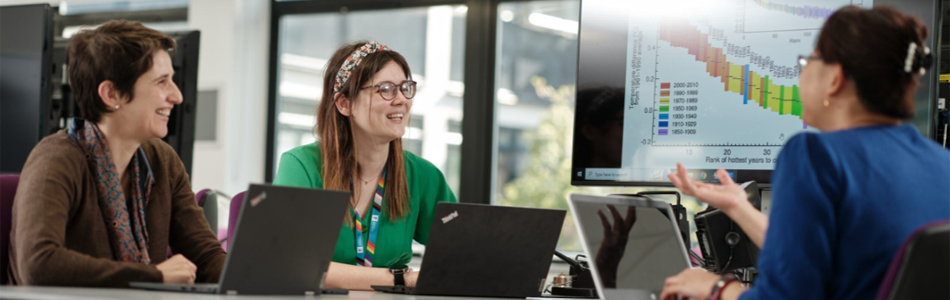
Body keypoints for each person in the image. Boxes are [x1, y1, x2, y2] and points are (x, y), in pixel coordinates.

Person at [659, 6, 948, 300]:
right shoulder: (941, 162)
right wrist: (738, 207)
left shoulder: (815, 155)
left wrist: (712, 287)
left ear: (834, 78)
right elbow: (819, 260)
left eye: (808, 61)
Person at [7, 20, 226, 287]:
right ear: (111, 94)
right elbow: (38, 265)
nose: (177, 96)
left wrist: (261, 277)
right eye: (162, 82)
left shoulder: (163, 161)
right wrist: (154, 277)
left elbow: (206, 257)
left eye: (173, 81)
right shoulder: (56, 159)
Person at [273, 41, 457, 290]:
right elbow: (290, 264)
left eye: (405, 88)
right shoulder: (302, 166)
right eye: (385, 89)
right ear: (344, 104)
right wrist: (401, 278)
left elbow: (463, 254)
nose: (402, 99)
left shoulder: (423, 175)